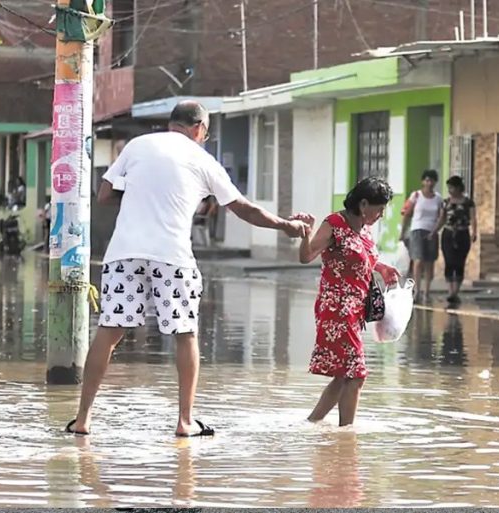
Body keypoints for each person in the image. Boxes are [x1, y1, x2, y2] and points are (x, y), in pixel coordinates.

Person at [65, 100, 311, 437]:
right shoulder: (202, 159)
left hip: (124, 254)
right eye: (205, 133)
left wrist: (142, 196)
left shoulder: (138, 145)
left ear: (172, 122)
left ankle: (83, 420)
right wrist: (286, 225)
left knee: (108, 332)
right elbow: (243, 208)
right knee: (185, 334)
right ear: (198, 128)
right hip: (172, 257)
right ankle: (184, 421)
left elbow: (104, 193)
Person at [299, 177, 400, 427]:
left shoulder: (363, 228)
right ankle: (347, 435)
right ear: (363, 204)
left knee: (344, 375)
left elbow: (361, 258)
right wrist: (306, 233)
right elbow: (307, 255)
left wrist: (382, 267)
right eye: (379, 209)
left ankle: (312, 423)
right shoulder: (335, 223)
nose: (381, 214)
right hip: (336, 309)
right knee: (356, 375)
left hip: (356, 311)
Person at [401, 169, 443, 303]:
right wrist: (402, 232)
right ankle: (417, 290)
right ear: (423, 181)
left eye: (432, 180)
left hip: (432, 231)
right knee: (418, 261)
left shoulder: (438, 198)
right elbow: (407, 213)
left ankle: (427, 291)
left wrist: (435, 230)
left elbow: (442, 216)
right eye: (427, 180)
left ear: (435, 182)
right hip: (417, 230)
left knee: (430, 262)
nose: (429, 183)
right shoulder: (416, 195)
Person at [434, 175, 477, 305]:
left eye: (452, 187)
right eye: (449, 188)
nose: (450, 190)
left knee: (460, 262)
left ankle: (455, 292)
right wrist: (433, 231)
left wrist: (474, 232)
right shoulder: (446, 202)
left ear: (459, 188)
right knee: (449, 262)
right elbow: (442, 219)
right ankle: (450, 291)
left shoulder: (468, 203)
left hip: (462, 234)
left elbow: (473, 218)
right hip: (448, 234)